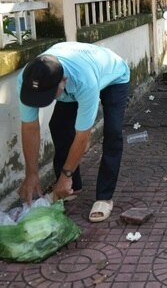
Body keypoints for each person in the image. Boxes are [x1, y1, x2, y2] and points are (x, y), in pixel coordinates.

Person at [17, 42, 130, 222]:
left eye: (47, 95)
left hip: (114, 77)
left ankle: (104, 196)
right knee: (58, 126)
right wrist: (31, 173)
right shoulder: (28, 79)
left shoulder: (85, 81)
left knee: (112, 132)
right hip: (76, 73)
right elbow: (30, 127)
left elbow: (83, 135)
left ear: (63, 82)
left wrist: (65, 174)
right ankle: (72, 187)